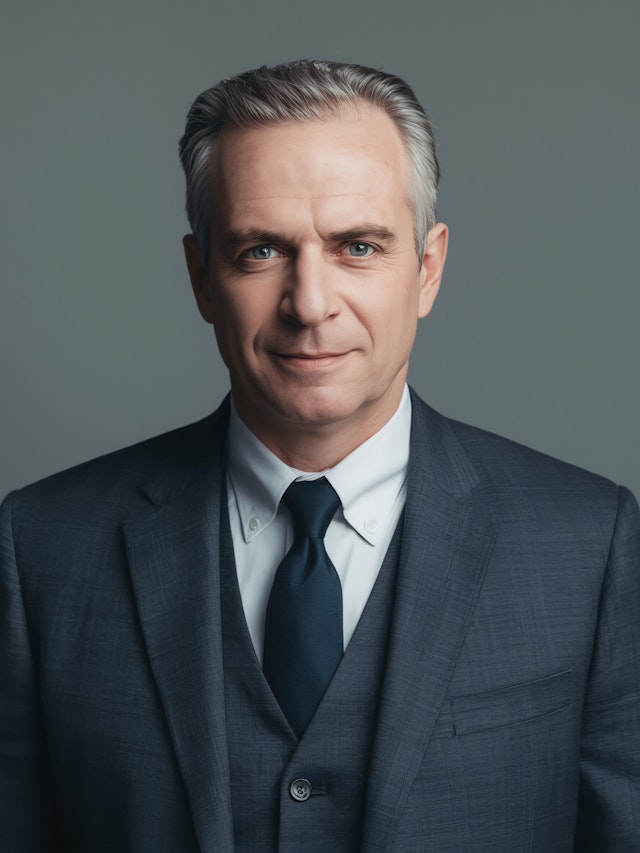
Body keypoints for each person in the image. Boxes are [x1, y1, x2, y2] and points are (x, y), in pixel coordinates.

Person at [1, 59, 638, 853]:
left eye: (359, 246)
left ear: (428, 268)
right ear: (201, 278)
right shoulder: (43, 547)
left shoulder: (588, 543)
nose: (310, 303)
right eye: (261, 251)